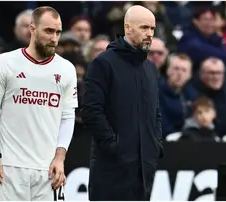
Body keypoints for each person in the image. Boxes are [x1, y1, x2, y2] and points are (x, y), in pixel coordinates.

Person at [0, 6, 78, 201]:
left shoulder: (67, 69)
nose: (54, 38)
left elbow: (68, 116)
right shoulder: (5, 62)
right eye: (49, 31)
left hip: (48, 170)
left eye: (58, 32)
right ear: (32, 29)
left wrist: (60, 158)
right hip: (9, 168)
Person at [81, 5, 163, 201]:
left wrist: (155, 144)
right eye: (144, 27)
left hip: (144, 170)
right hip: (112, 170)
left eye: (152, 29)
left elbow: (155, 112)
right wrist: (114, 146)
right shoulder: (103, 63)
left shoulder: (150, 68)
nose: (149, 34)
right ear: (127, 28)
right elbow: (91, 111)